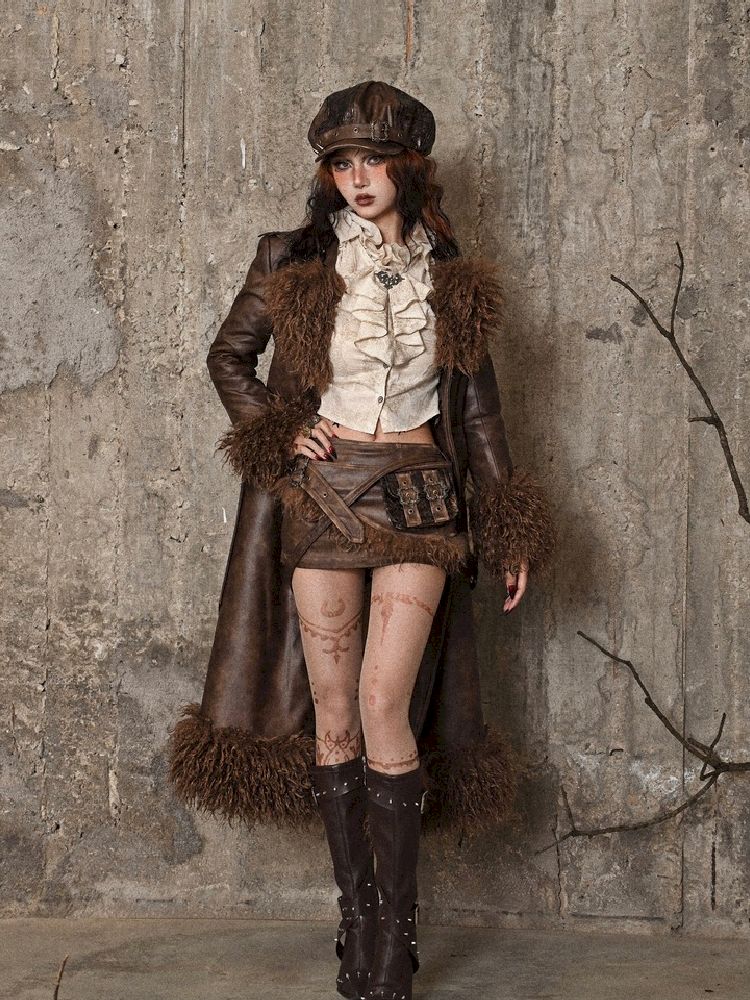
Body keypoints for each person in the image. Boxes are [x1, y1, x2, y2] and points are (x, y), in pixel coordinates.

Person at [168, 81, 556, 1000]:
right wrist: (277, 429)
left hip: (421, 497)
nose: (357, 178)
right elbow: (229, 357)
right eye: (342, 163)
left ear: (409, 167)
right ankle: (361, 919)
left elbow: (479, 413)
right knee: (335, 711)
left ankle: (399, 932)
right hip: (324, 497)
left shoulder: (452, 276)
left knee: (388, 700)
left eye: (374, 161)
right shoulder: (293, 257)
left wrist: (508, 526)